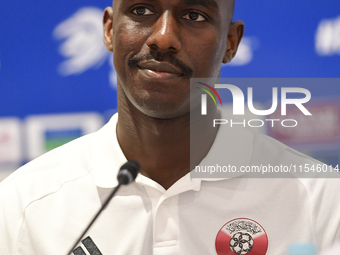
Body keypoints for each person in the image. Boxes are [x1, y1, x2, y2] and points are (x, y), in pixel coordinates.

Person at [1, 0, 340, 254]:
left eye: (194, 15)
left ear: (231, 42)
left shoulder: (319, 198)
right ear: (108, 29)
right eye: (142, 10)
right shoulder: (24, 206)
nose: (163, 38)